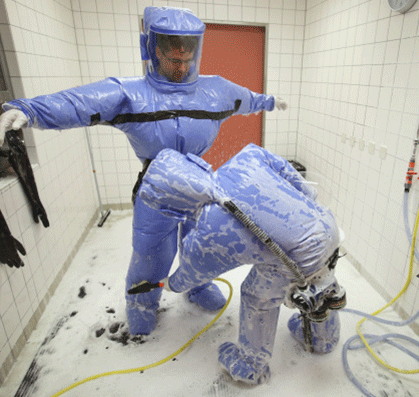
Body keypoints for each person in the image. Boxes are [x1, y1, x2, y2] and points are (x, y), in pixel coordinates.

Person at [0, 7, 288, 335]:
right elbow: (80, 103)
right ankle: (141, 303)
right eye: (173, 60)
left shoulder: (215, 91)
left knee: (201, 245)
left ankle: (198, 286)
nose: (182, 67)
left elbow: (247, 99)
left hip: (200, 184)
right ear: (153, 51)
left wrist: (270, 101)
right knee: (151, 256)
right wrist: (30, 110)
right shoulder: (131, 94)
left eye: (187, 60)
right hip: (157, 192)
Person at [130, 143, 344, 384]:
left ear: (172, 204)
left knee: (257, 297)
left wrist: (171, 284)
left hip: (297, 256)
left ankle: (250, 365)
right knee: (320, 280)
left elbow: (192, 273)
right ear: (195, 164)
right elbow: (288, 172)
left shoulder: (211, 228)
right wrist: (304, 209)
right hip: (326, 226)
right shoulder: (247, 156)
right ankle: (323, 338)